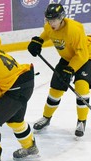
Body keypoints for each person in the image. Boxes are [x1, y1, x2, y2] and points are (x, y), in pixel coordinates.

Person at [27, 3, 91, 137]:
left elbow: (82, 55)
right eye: (48, 19)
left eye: (54, 20)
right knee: (55, 89)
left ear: (61, 18)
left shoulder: (75, 29)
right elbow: (47, 32)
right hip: (67, 58)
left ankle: (81, 121)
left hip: (86, 57)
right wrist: (38, 41)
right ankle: (46, 117)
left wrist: (71, 69)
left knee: (81, 86)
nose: (51, 23)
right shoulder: (49, 26)